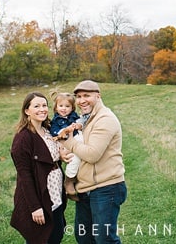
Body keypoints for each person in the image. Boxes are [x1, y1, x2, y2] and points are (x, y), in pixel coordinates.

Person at [55, 80, 127, 243]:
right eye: (79, 96)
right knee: (84, 237)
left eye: (87, 95)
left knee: (104, 239)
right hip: (86, 188)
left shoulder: (104, 119)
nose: (81, 100)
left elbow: (93, 154)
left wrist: (67, 141)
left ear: (98, 96)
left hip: (106, 187)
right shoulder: (84, 119)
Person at [10, 92, 67, 244]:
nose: (42, 109)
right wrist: (35, 207)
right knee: (41, 238)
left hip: (55, 193)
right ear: (27, 111)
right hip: (39, 197)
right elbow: (25, 176)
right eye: (36, 106)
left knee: (56, 235)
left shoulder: (48, 129)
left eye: (44, 105)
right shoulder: (23, 138)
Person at [50, 92, 86, 201]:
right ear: (56, 107)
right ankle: (69, 180)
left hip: (76, 139)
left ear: (72, 108)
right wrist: (64, 131)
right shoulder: (56, 120)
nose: (64, 109)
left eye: (67, 106)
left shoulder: (74, 116)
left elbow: (81, 122)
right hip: (65, 142)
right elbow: (55, 132)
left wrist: (78, 125)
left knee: (83, 152)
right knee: (74, 158)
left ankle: (76, 177)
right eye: (61, 106)